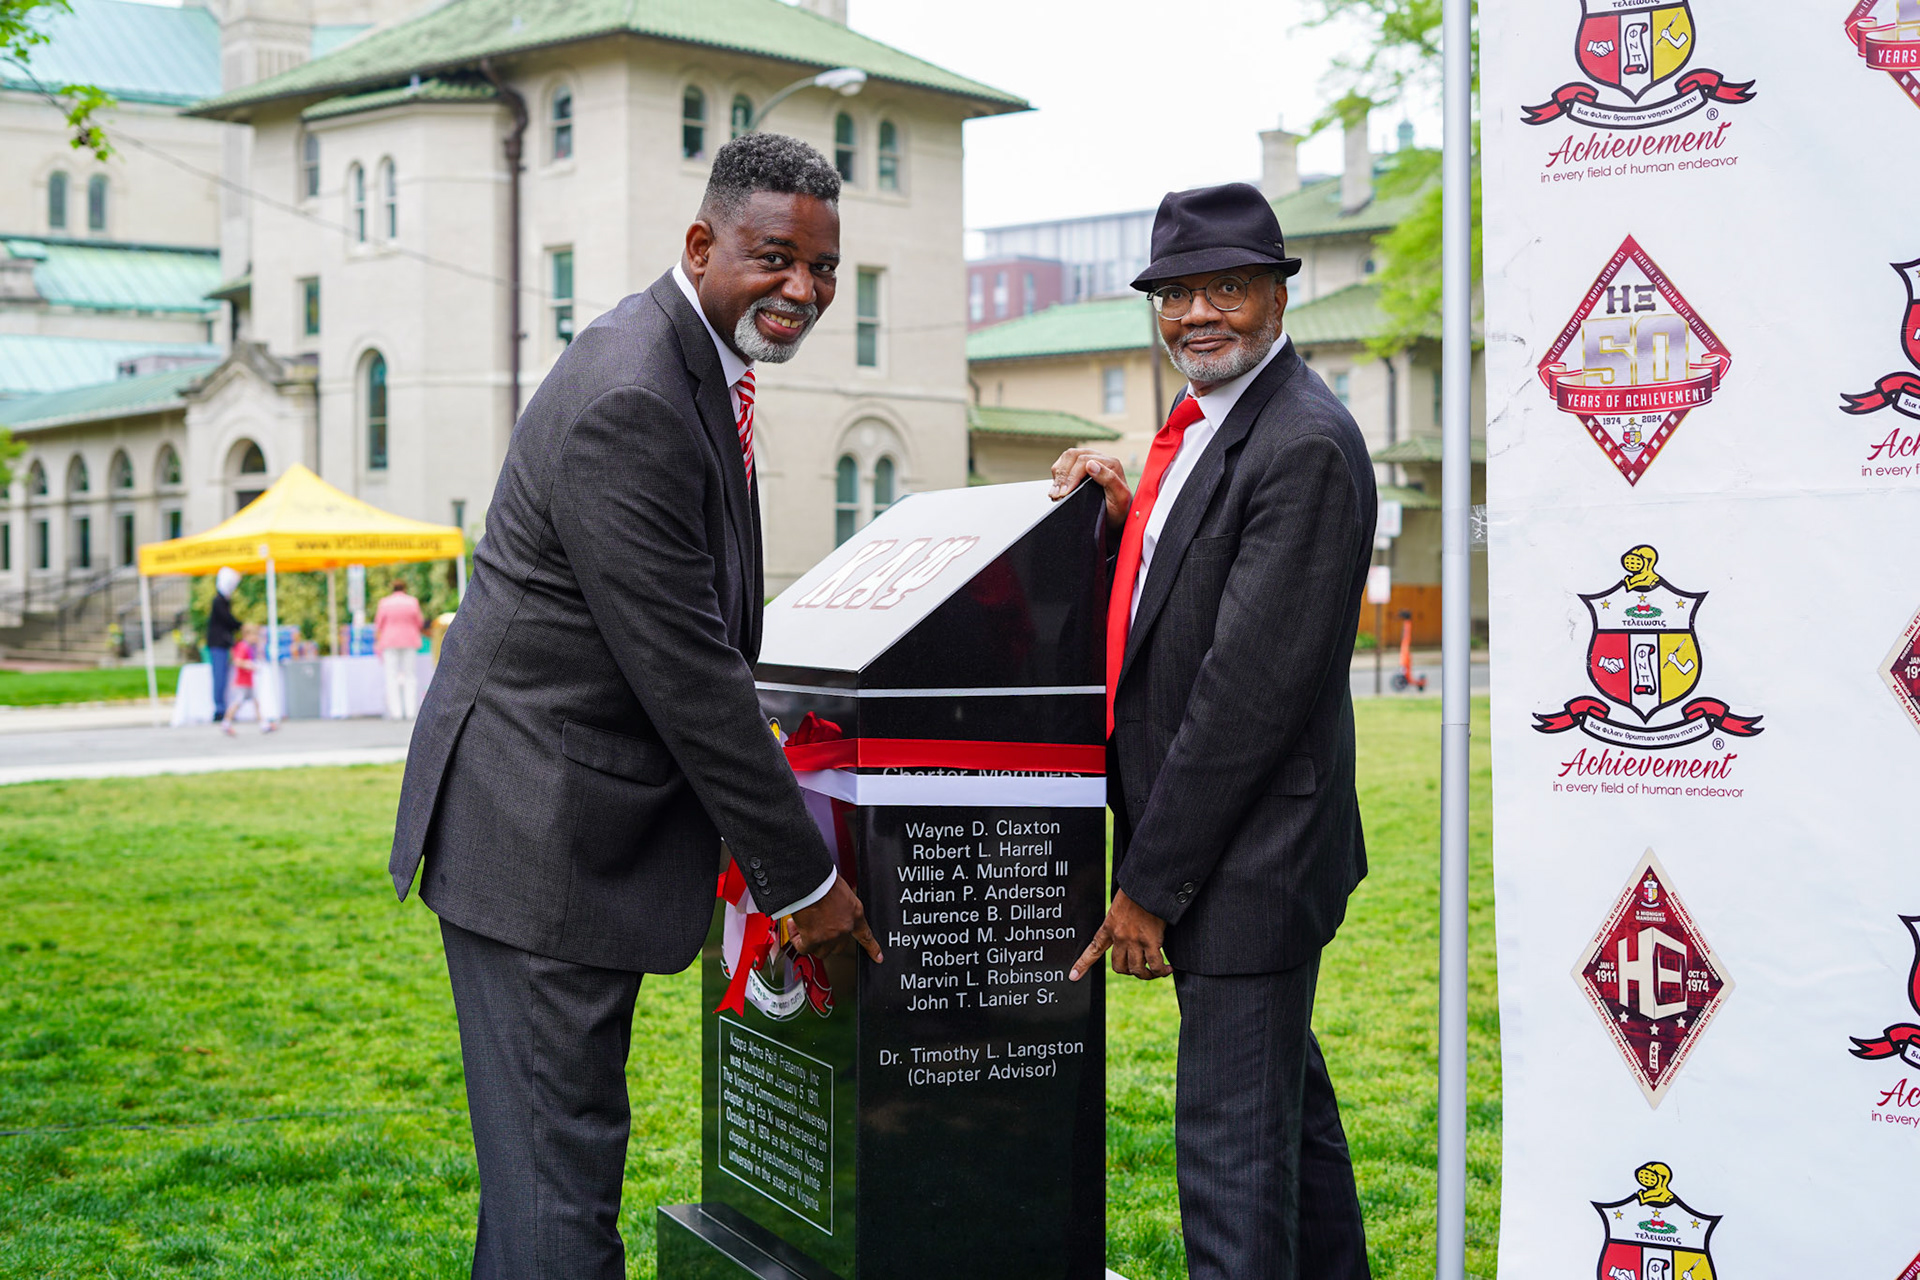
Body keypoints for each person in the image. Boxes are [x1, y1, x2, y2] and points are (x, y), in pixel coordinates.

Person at [388, 132, 881, 1280]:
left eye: (823, 267)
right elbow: (690, 671)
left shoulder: (694, 366)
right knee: (560, 1193)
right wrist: (802, 878)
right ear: (701, 244)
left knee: (540, 1182)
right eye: (774, 257)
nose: (803, 289)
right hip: (540, 835)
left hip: (559, 820)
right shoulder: (635, 394)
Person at [1056, 182, 1376, 1280]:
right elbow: (1184, 599)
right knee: (1291, 1133)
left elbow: (1246, 695)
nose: (1198, 313)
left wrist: (1150, 886)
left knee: (1232, 1173)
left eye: (1227, 288)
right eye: (1175, 293)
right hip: (1231, 853)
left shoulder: (1303, 442)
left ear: (1279, 296)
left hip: (1248, 863)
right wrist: (1120, 520)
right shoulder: (1209, 426)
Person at [374, 580, 426, 720]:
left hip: (389, 641)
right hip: (409, 640)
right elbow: (419, 622)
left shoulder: (384, 603)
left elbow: (379, 624)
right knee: (410, 675)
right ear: (405, 588)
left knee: (391, 676)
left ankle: (395, 712)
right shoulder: (412, 602)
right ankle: (410, 711)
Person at [221, 622, 278, 736]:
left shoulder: (250, 647)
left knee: (256, 702)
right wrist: (250, 665)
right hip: (242, 682)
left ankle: (263, 724)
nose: (256, 638)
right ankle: (226, 723)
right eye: (254, 635)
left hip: (248, 682)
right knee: (237, 703)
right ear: (247, 635)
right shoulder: (243, 646)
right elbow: (237, 661)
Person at [206, 566, 241, 723]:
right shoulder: (219, 601)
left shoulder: (223, 601)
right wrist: (241, 626)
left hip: (222, 644)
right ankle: (219, 709)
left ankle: (223, 708)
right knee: (219, 676)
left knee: (223, 677)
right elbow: (228, 620)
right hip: (218, 644)